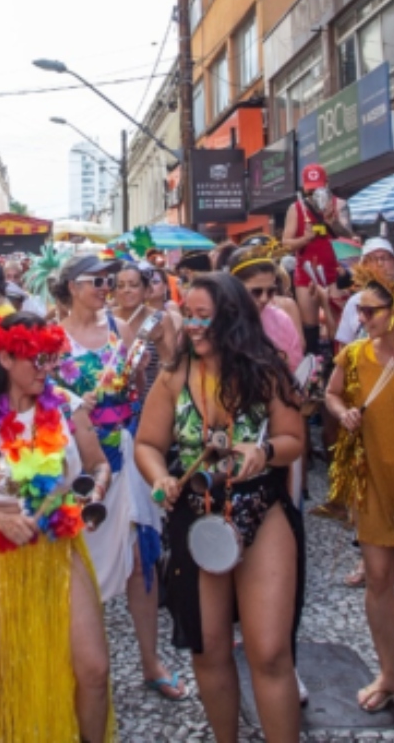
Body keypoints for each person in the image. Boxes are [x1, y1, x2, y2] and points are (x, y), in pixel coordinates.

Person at [136, 273, 305, 743]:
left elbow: (293, 440)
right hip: (198, 516)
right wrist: (161, 477)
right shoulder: (173, 375)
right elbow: (148, 444)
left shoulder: (265, 370)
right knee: (208, 650)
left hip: (260, 509)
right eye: (187, 314)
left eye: (203, 316)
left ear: (230, 318)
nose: (191, 324)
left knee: (269, 652)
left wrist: (265, 453)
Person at [0, 313, 115, 742]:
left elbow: (98, 465)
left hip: (59, 551)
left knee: (94, 669)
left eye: (50, 360)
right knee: (16, 679)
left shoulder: (69, 408)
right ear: (3, 356)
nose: (46, 369)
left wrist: (95, 491)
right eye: (34, 361)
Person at [53, 253, 184, 701]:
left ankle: (151, 661)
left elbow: (142, 379)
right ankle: (80, 661)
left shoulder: (120, 328)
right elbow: (40, 397)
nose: (105, 287)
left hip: (125, 452)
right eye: (96, 280)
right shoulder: (54, 338)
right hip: (80, 461)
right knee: (78, 559)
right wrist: (73, 405)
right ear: (72, 286)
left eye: (109, 280)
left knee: (140, 557)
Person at [325, 268, 394, 713]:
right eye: (361, 310)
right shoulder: (352, 355)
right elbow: (331, 394)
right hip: (371, 476)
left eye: (372, 310)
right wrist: (343, 412)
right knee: (379, 578)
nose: (363, 317)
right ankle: (388, 673)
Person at [282, 164, 347, 354]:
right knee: (309, 327)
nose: (314, 194)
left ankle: (338, 364)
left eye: (318, 188)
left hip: (334, 272)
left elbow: (350, 238)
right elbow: (285, 244)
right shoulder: (296, 209)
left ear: (327, 184)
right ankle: (313, 369)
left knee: (338, 321)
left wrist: (333, 224)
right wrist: (305, 238)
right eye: (310, 191)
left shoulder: (339, 205)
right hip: (306, 272)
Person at [229, 246, 303, 373]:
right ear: (235, 286)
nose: (264, 299)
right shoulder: (217, 318)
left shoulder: (282, 320)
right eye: (256, 292)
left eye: (271, 291)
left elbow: (294, 368)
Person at [111, 263, 180, 384]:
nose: (126, 290)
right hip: (111, 399)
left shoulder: (160, 319)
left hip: (150, 397)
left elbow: (172, 367)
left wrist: (160, 343)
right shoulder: (105, 318)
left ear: (147, 290)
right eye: (120, 286)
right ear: (114, 292)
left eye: (134, 285)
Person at [334, 238, 394, 348]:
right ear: (364, 265)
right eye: (373, 259)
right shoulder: (355, 301)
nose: (380, 264)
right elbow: (344, 346)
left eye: (385, 258)